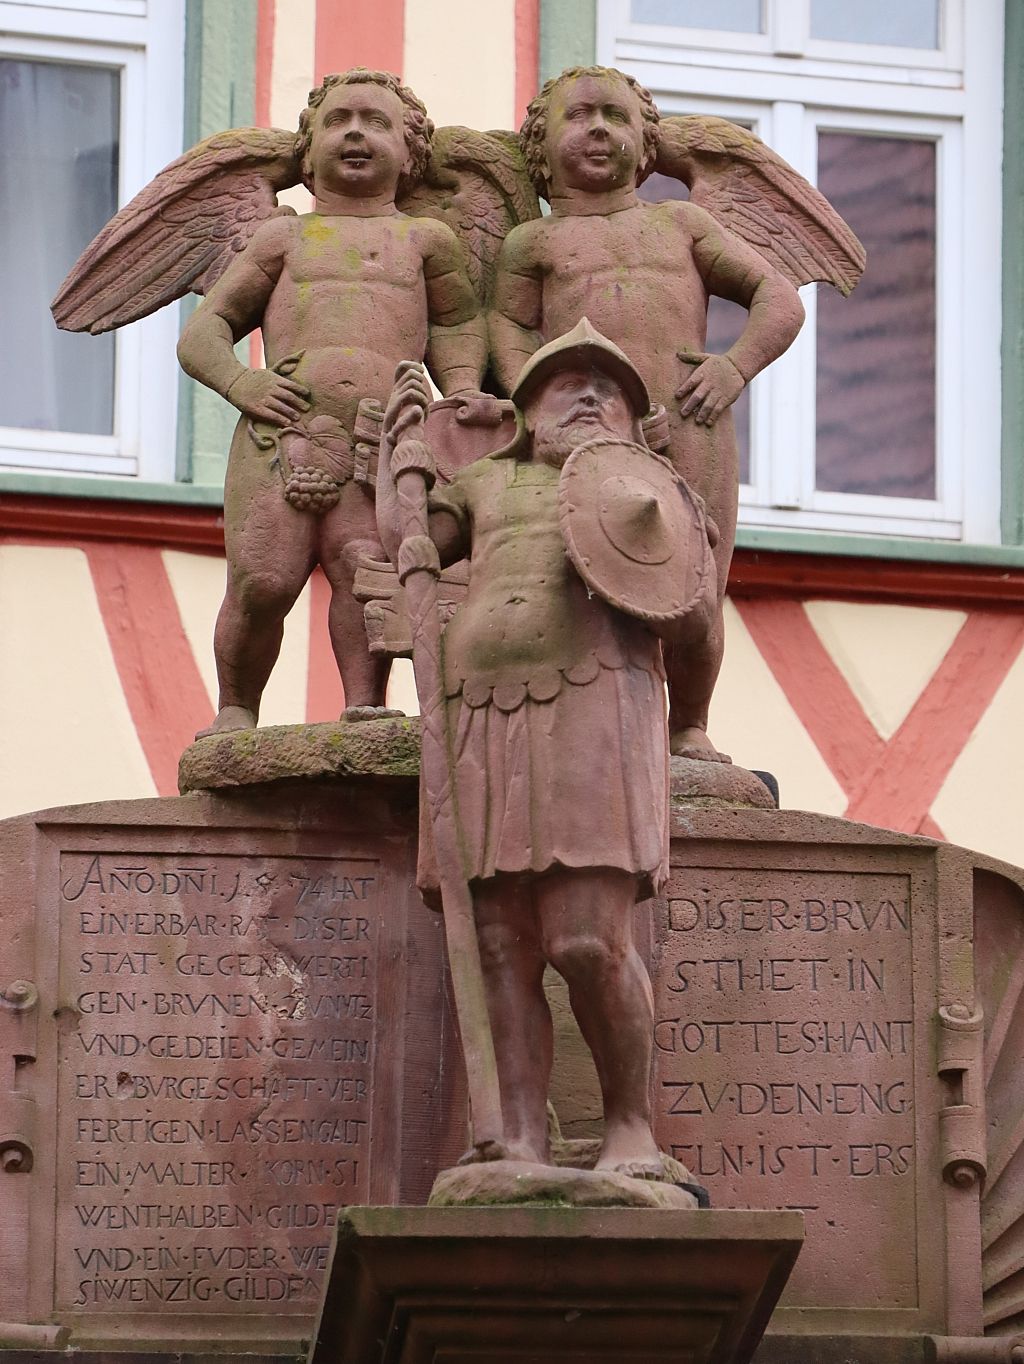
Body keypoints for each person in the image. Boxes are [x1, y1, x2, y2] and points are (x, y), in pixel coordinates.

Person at [377, 321, 711, 1178]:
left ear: (635, 421)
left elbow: (694, 616)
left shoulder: (648, 491)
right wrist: (397, 457)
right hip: (478, 713)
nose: (590, 396)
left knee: (586, 939)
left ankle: (630, 1129)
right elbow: (411, 543)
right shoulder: (484, 481)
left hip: (594, 710)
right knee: (499, 944)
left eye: (611, 389)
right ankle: (517, 1137)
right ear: (527, 408)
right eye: (569, 383)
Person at [490, 65, 804, 762]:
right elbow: (506, 327)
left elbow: (778, 299)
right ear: (541, 144)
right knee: (578, 577)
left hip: (690, 421)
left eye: (616, 116)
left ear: (646, 142)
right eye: (579, 116)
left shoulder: (680, 223)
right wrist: (534, 403)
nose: (599, 129)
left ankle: (688, 724)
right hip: (584, 439)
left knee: (694, 584)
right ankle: (589, 725)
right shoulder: (532, 243)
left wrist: (732, 367)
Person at [176, 69, 486, 736]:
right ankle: (236, 706)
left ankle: (363, 704)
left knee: (366, 572)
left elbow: (459, 324)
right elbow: (204, 332)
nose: (355, 133)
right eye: (338, 121)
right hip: (282, 433)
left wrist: (461, 395)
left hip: (382, 437)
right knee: (262, 582)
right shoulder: (283, 238)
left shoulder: (426, 240)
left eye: (376, 122)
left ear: (410, 154)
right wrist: (243, 384)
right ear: (307, 151)